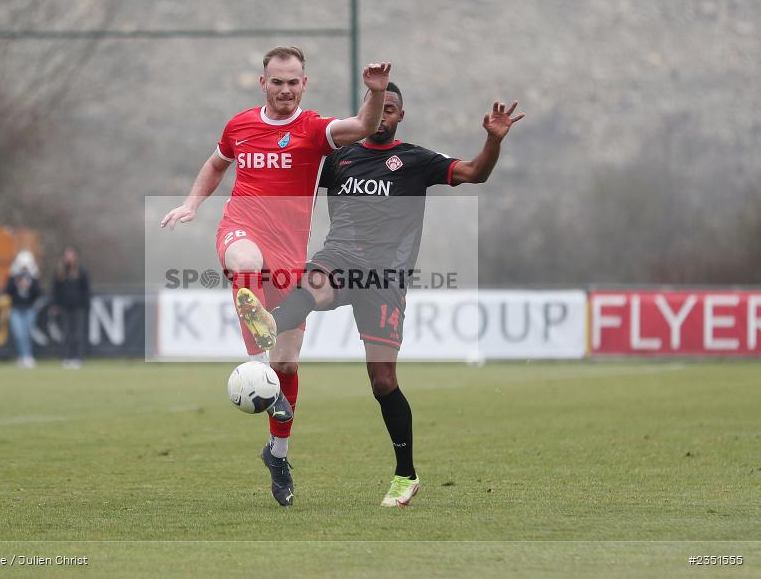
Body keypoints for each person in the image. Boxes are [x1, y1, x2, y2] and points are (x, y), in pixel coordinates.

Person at [236, 82, 525, 507]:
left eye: (391, 109)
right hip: (339, 258)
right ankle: (271, 324)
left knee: (383, 382)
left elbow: (475, 172)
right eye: (378, 108)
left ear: (400, 116)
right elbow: (293, 184)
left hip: (385, 278)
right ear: (367, 113)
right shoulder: (339, 158)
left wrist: (492, 141)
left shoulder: (416, 161)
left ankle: (405, 475)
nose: (384, 115)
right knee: (311, 285)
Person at [161, 46, 392, 506]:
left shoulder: (314, 131)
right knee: (245, 262)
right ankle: (258, 366)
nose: (285, 89)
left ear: (304, 84)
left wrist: (377, 92)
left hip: (291, 256)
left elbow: (364, 126)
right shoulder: (240, 126)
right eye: (277, 81)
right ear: (262, 83)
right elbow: (216, 163)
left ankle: (278, 454)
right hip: (242, 228)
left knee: (289, 366)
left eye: (293, 82)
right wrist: (191, 204)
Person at [52, 247, 91, 369]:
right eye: (67, 255)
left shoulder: (81, 271)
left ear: (75, 257)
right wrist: (55, 305)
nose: (69, 258)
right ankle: (66, 358)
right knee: (66, 333)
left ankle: (77, 359)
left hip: (78, 307)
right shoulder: (59, 271)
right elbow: (55, 290)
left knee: (78, 334)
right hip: (64, 307)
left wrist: (85, 304)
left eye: (71, 255)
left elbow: (86, 290)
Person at [5, 250, 41, 369]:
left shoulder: (33, 277)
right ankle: (22, 356)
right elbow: (7, 291)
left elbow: (38, 293)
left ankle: (28, 356)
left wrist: (29, 286)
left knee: (27, 333)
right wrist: (17, 284)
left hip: (29, 309)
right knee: (18, 334)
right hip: (16, 309)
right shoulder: (13, 276)